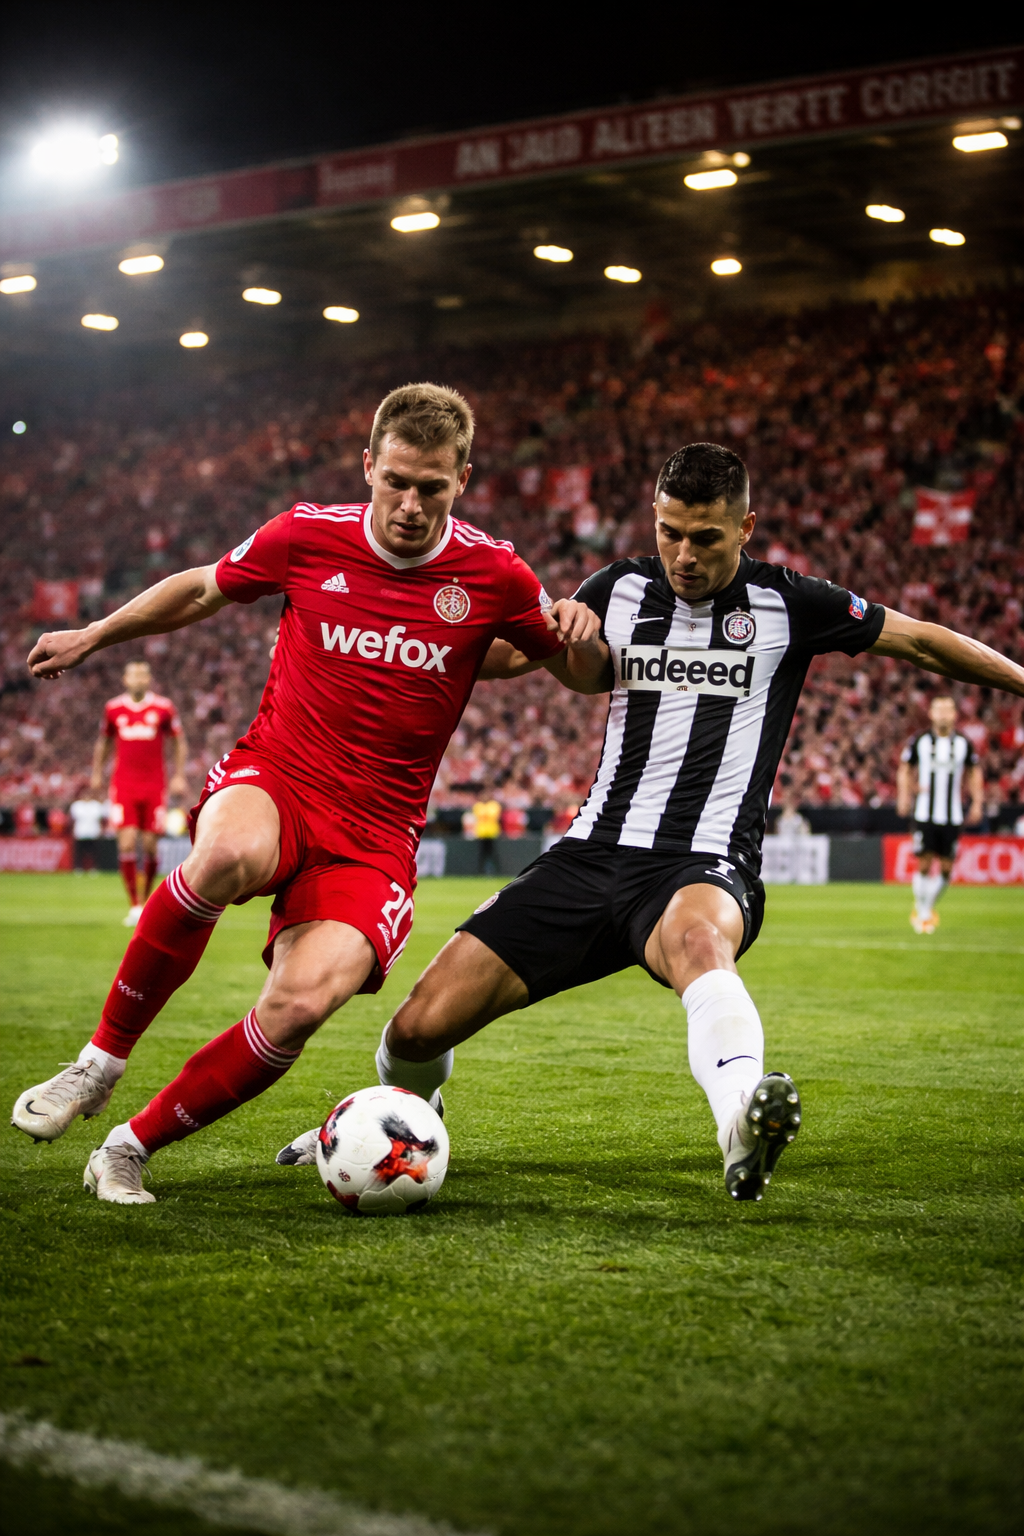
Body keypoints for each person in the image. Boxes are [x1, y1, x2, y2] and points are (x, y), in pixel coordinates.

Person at [278, 441, 1024, 1203]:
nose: (684, 554)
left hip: (699, 861)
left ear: (746, 529)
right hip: (589, 851)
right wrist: (437, 637)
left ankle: (740, 1123)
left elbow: (924, 640)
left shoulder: (792, 604)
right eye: (670, 531)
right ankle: (409, 1121)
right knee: (414, 1032)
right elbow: (517, 656)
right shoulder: (620, 586)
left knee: (702, 945)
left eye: (705, 537)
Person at [10, 383, 605, 1203]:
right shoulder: (307, 535)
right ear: (368, 465)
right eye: (395, 480)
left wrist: (577, 631)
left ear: (461, 479)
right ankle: (97, 1065)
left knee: (298, 1006)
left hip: (376, 832)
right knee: (228, 854)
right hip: (280, 776)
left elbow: (569, 671)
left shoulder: (495, 573)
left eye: (431, 486)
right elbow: (201, 588)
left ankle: (127, 1146)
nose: (409, 503)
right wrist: (96, 633)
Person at [92, 660, 188, 925]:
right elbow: (104, 741)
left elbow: (179, 740)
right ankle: (134, 904)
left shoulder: (163, 707)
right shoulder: (113, 708)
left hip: (155, 784)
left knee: (149, 845)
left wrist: (179, 774)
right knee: (126, 841)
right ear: (125, 679)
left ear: (148, 679)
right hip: (123, 784)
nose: (138, 678)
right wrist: (97, 772)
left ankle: (145, 901)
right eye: (133, 674)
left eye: (143, 674)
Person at [897, 695, 983, 933]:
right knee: (924, 863)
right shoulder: (920, 741)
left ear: (955, 715)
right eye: (939, 709)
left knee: (946, 868)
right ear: (931, 714)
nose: (944, 714)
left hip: (952, 815)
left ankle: (927, 905)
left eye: (948, 710)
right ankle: (923, 912)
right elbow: (905, 769)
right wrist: (905, 794)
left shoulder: (964, 743)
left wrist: (977, 802)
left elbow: (975, 772)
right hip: (925, 813)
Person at [466, 788, 502, 874]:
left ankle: (496, 871)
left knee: (493, 853)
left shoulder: (494, 805)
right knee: (481, 854)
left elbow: (495, 817)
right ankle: (480, 871)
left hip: (492, 833)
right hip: (481, 833)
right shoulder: (478, 806)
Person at [69, 793, 107, 872]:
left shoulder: (96, 805)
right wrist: (72, 830)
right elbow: (72, 820)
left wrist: (101, 829)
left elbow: (102, 820)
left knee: (94, 852)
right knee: (79, 852)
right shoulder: (77, 805)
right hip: (80, 832)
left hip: (93, 832)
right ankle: (78, 868)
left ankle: (94, 868)